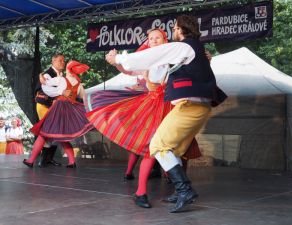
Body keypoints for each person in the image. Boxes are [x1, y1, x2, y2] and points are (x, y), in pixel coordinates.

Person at [105, 15, 227, 213]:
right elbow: (144, 64)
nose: (156, 41)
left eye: (173, 29)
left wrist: (117, 57)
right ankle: (177, 191)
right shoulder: (193, 49)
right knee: (175, 149)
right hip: (192, 106)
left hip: (188, 106)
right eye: (151, 39)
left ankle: (184, 190)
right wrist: (121, 64)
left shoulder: (183, 47)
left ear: (179, 29)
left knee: (157, 146)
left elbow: (147, 57)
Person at [87, 29, 201, 209]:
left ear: (165, 40)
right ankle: (141, 192)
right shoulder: (149, 59)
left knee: (178, 148)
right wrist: (116, 61)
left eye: (158, 38)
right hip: (153, 106)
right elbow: (129, 70)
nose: (154, 41)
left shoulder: (173, 55)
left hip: (171, 105)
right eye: (151, 38)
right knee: (151, 148)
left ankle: (180, 190)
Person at [23, 60, 94, 168]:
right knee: (63, 137)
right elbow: (84, 99)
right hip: (69, 112)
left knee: (43, 134)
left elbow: (45, 82)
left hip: (58, 109)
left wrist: (40, 75)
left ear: (68, 69)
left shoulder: (62, 80)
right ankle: (71, 161)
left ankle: (31, 160)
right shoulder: (79, 85)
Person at [34, 53, 66, 167]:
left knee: (53, 132)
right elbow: (48, 90)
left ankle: (48, 159)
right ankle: (42, 159)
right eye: (60, 60)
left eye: (63, 61)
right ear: (53, 61)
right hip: (44, 105)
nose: (63, 62)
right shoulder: (48, 74)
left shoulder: (61, 75)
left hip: (53, 106)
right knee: (47, 131)